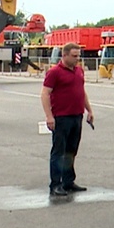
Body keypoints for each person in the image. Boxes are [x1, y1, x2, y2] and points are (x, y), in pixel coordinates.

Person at [40, 42, 95, 197]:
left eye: (78, 56)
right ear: (64, 55)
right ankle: (55, 184)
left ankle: (68, 181)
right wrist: (49, 116)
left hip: (76, 116)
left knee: (71, 151)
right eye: (74, 56)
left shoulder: (79, 71)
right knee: (59, 152)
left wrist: (89, 110)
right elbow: (45, 94)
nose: (77, 59)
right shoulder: (54, 72)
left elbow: (81, 92)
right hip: (61, 117)